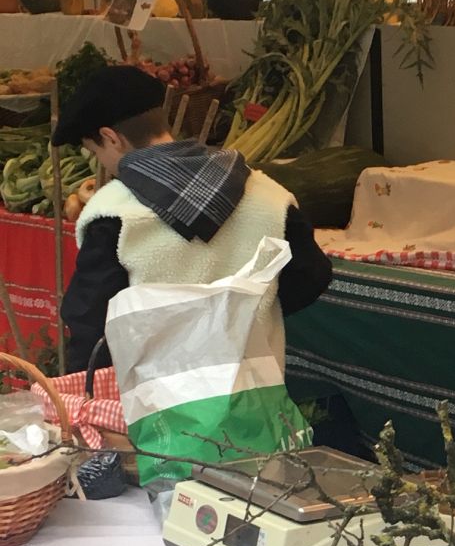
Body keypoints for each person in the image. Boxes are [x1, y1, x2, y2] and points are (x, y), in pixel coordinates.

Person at [55, 64, 332, 375]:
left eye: (96, 152)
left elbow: (91, 325)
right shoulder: (266, 193)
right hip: (251, 397)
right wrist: (243, 318)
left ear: (110, 137)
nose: (102, 163)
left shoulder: (113, 212)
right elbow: (313, 275)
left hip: (155, 407)